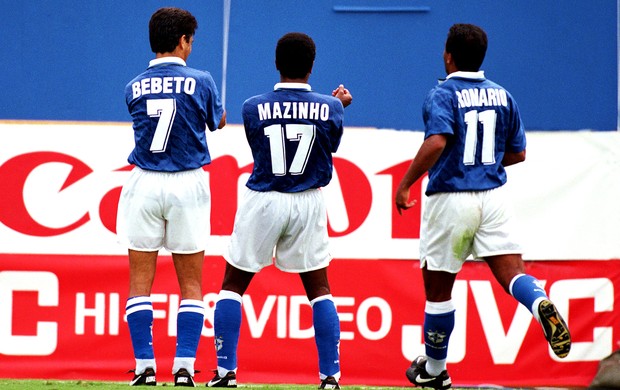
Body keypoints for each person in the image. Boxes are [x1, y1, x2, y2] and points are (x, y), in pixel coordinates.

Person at [395, 24, 571, 389]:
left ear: (448, 56)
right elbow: (519, 152)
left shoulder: (442, 94)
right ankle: (539, 303)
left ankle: (434, 370)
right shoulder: (503, 95)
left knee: (439, 292)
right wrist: (485, 164)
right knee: (513, 273)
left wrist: (406, 183)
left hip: (451, 198)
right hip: (493, 197)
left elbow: (437, 142)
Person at [206, 32, 352, 389]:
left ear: (276, 63)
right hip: (308, 200)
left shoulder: (252, 105)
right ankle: (330, 377)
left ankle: (226, 374)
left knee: (232, 287)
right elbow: (328, 142)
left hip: (265, 197)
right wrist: (338, 107)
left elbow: (262, 144)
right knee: (320, 290)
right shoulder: (330, 107)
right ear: (312, 66)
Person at [117, 7, 226, 387]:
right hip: (187, 183)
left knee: (139, 283)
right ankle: (183, 367)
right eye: (191, 41)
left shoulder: (133, 85)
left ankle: (144, 368)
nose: (191, 47)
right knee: (192, 284)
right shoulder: (202, 79)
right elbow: (218, 121)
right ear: (182, 41)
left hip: (144, 182)